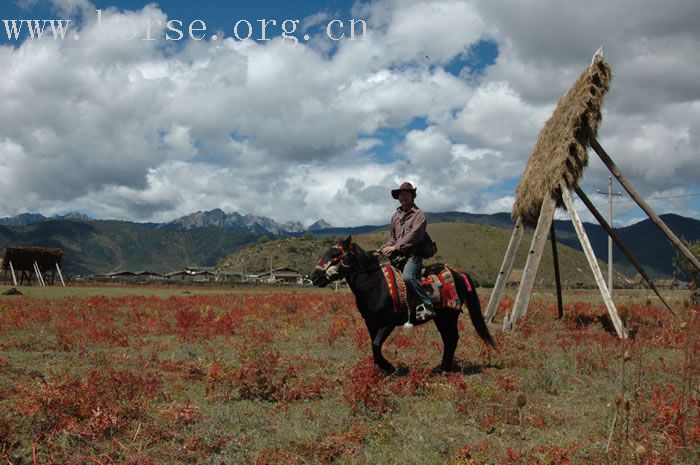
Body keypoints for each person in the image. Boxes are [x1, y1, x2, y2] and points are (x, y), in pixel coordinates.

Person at [381, 182, 436, 322]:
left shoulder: (418, 215)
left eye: (406, 194)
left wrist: (395, 247)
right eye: (401, 194)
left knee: (408, 278)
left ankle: (427, 305)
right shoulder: (396, 216)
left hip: (413, 255)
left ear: (412, 196)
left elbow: (415, 235)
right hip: (398, 257)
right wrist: (386, 247)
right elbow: (392, 236)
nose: (403, 197)